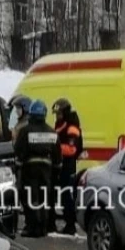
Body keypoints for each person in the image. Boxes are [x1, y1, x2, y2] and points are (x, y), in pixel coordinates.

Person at [14, 100, 60, 238]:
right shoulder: (52, 132)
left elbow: (18, 150)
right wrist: (56, 171)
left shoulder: (25, 131)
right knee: (44, 198)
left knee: (30, 197)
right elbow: (58, 155)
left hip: (30, 169)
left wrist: (18, 166)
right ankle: (43, 228)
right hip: (47, 170)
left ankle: (32, 227)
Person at [51, 98, 83, 235]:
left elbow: (71, 149)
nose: (57, 116)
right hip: (60, 165)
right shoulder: (60, 124)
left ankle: (70, 225)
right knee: (57, 195)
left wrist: (54, 147)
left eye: (59, 113)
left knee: (66, 196)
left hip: (68, 166)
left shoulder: (72, 127)